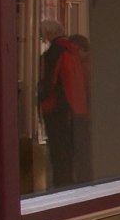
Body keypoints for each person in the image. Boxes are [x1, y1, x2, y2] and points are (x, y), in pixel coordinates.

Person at [38, 19, 92, 187]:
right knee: (71, 152)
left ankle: (62, 186)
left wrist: (40, 99)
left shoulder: (54, 53)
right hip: (76, 108)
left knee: (59, 153)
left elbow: (49, 82)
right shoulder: (73, 52)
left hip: (57, 108)